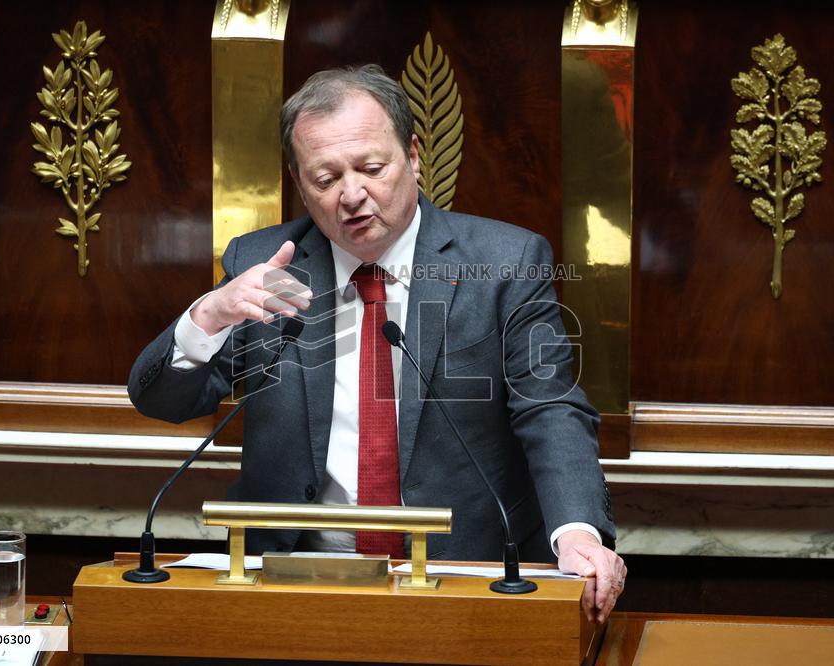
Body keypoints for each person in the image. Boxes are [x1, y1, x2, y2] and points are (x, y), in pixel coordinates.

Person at [129, 65, 626, 623]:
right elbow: (162, 401)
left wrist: (577, 531)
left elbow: (549, 406)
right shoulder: (263, 264)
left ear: (413, 155)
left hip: (461, 580)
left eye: (371, 168)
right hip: (291, 584)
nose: (352, 195)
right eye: (325, 178)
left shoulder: (507, 264)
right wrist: (208, 316)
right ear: (298, 183)